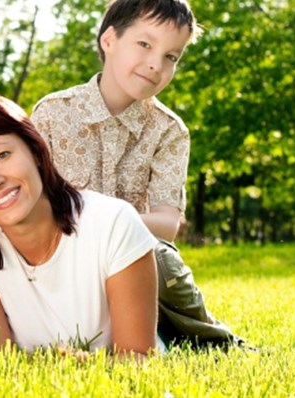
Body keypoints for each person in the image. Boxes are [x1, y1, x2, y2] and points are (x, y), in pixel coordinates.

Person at [31, 0, 241, 347]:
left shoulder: (169, 130)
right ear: (109, 41)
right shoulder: (53, 113)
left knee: (161, 258)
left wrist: (107, 227)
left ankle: (212, 338)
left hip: (137, 260)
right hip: (63, 255)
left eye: (172, 57)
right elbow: (37, 205)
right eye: (144, 44)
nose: (156, 64)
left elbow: (166, 224)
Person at [0, 93, 158, 360]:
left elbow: (138, 360)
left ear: (36, 151)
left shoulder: (113, 223)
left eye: (2, 155)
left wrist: (61, 366)